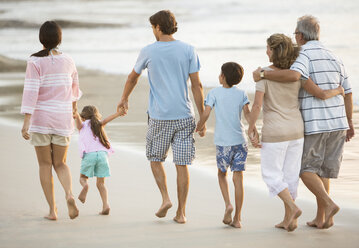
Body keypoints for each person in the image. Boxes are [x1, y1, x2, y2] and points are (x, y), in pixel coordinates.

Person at [252, 16, 354, 229]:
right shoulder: (334, 56)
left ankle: (325, 204)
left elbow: (294, 76)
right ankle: (321, 217)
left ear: (300, 35)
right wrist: (349, 120)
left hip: (312, 124)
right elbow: (346, 91)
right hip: (333, 122)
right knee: (320, 171)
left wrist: (262, 73)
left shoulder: (302, 56)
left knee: (304, 170)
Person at [117, 10, 204, 224]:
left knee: (155, 159)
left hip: (159, 116)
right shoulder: (188, 50)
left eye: (152, 27)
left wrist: (124, 99)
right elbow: (197, 85)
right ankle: (181, 213)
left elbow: (132, 78)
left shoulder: (149, 51)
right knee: (181, 164)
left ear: (157, 27)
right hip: (185, 115)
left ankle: (166, 198)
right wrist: (202, 116)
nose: (153, 31)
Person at [21, 21, 81, 220]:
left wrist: (26, 121)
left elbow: (31, 92)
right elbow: (74, 91)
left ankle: (53, 210)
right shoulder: (69, 60)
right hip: (62, 119)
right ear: (59, 38)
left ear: (41, 39)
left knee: (45, 165)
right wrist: (73, 111)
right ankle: (70, 195)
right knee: (61, 164)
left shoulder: (35, 62)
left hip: (41, 119)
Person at [196, 62, 254, 228]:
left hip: (223, 143)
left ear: (222, 76)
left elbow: (206, 113)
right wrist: (253, 131)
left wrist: (199, 126)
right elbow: (248, 115)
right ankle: (237, 218)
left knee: (222, 174)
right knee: (238, 178)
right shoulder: (242, 93)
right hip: (240, 142)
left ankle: (228, 204)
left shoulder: (214, 93)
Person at [73, 105, 124, 215]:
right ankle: (106, 205)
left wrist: (75, 110)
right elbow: (108, 119)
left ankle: (85, 186)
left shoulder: (81, 126)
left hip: (89, 155)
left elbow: (76, 116)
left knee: (83, 178)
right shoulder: (99, 124)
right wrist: (118, 113)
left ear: (83, 116)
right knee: (101, 184)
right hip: (102, 155)